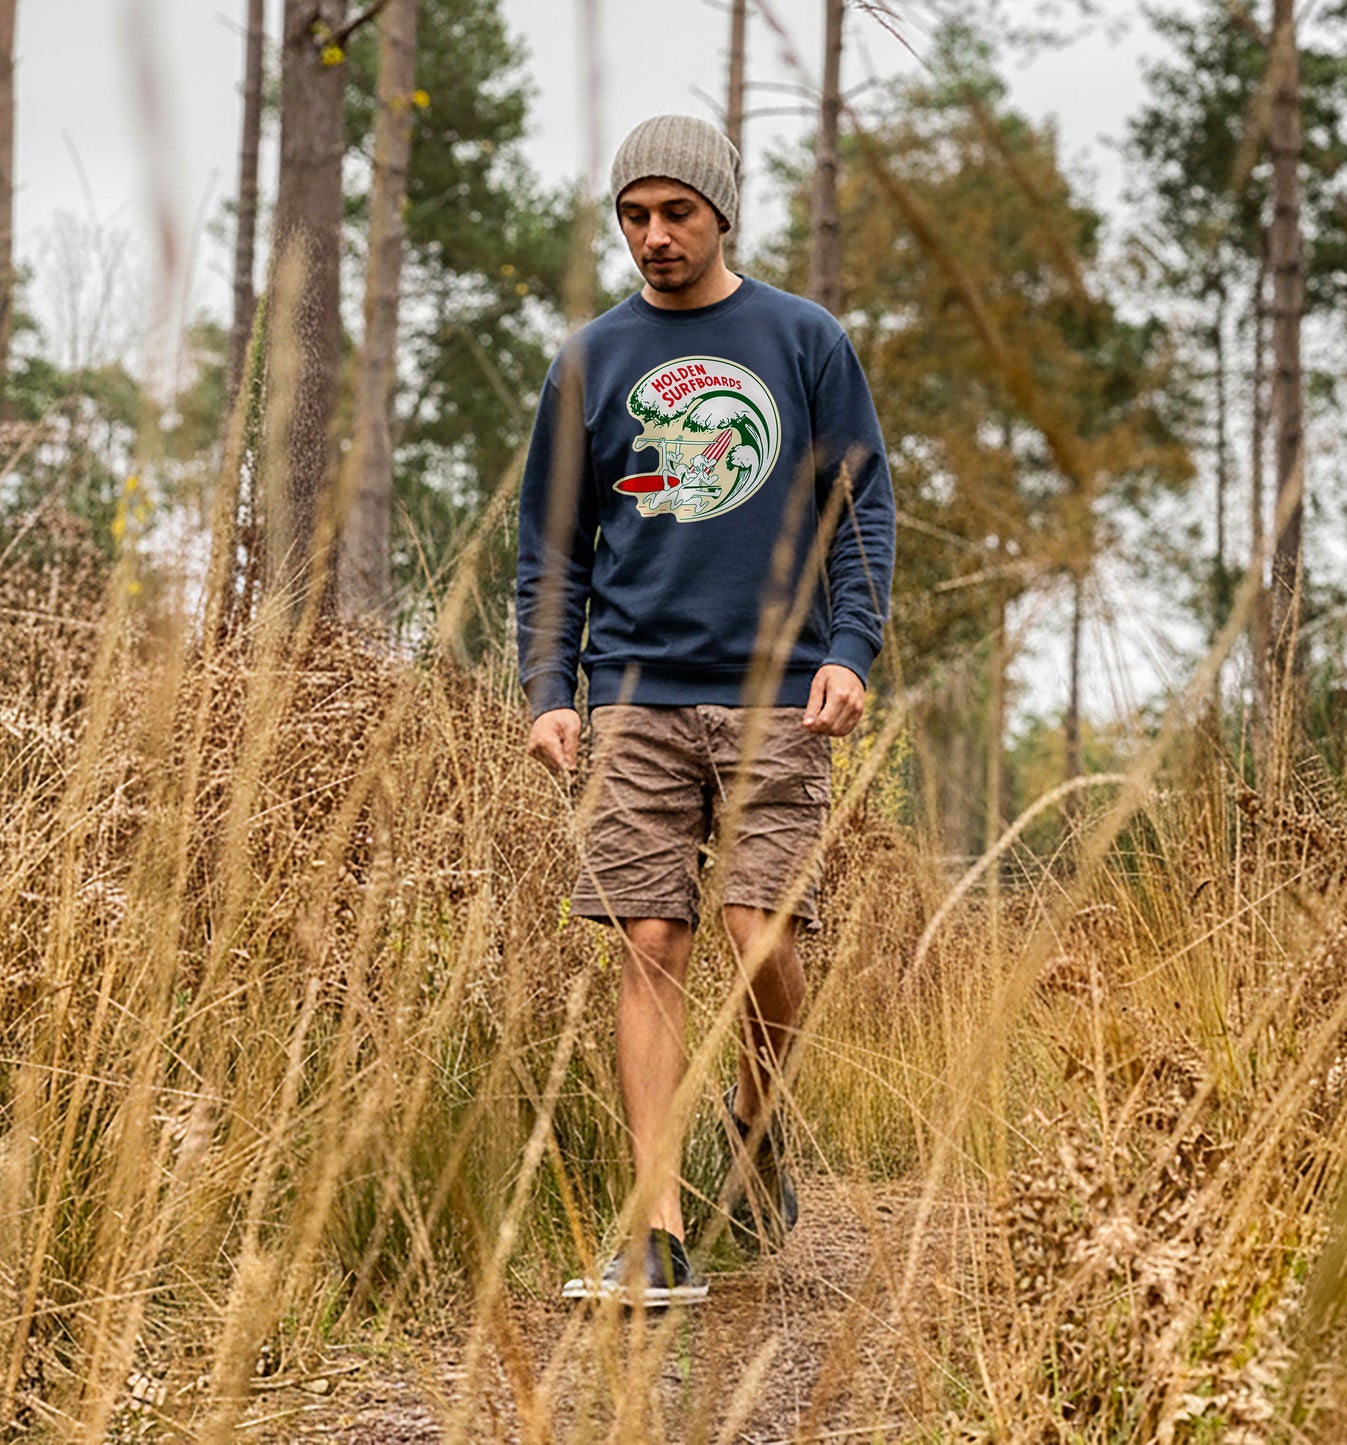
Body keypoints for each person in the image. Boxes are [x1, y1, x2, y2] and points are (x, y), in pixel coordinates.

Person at [515, 114, 895, 1306]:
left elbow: (861, 509)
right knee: (651, 942)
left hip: (779, 692)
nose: (653, 236)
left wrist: (849, 648)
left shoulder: (801, 338)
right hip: (631, 694)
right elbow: (551, 549)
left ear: (719, 211)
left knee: (759, 931)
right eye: (633, 215)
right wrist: (549, 689)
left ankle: (756, 1115)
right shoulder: (590, 358)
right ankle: (656, 1230)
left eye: (675, 212)